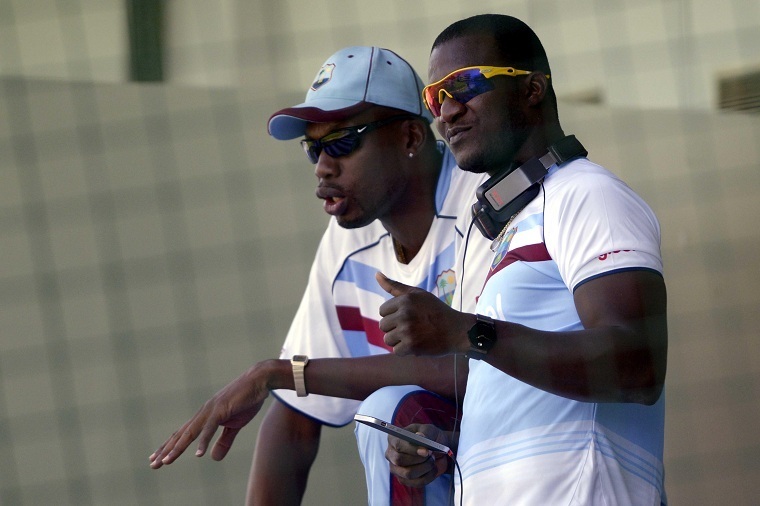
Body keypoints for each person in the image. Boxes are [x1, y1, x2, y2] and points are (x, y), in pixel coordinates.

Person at [148, 46, 487, 505]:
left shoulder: (485, 207)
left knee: (392, 408)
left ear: (410, 136)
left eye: (343, 142)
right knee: (391, 416)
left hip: (545, 461)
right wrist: (283, 379)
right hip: (464, 467)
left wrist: (280, 373)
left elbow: (493, 367)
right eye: (314, 148)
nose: (324, 166)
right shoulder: (347, 241)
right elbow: (295, 420)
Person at [374, 14, 668, 505]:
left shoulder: (587, 195)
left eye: (465, 84)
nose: (447, 111)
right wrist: (452, 448)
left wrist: (465, 332)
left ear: (532, 90)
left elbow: (637, 366)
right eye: (435, 98)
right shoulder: (506, 231)